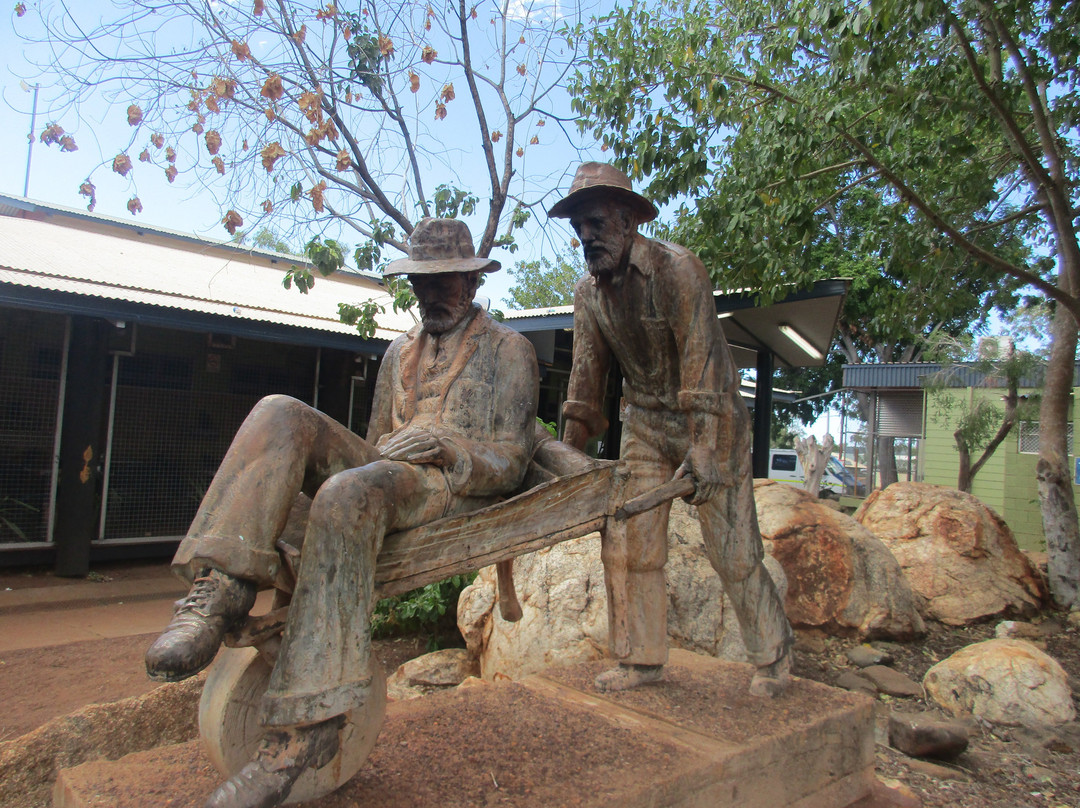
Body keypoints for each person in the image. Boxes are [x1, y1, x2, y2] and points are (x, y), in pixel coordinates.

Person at [145, 218, 539, 808]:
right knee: (280, 411)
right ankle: (220, 586)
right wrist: (384, 455)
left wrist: (449, 448)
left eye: (443, 282)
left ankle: (304, 734)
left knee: (345, 496)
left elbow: (512, 459)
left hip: (448, 487)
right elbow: (376, 440)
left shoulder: (512, 350)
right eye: (419, 283)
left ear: (471, 281)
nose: (429, 294)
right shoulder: (395, 353)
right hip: (388, 471)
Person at [549, 163, 793, 697]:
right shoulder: (588, 293)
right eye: (578, 227)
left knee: (731, 548)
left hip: (711, 419)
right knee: (631, 542)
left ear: (629, 218)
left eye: (594, 222)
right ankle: (641, 661)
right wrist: (567, 459)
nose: (585, 236)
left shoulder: (678, 271)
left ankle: (772, 656)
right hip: (645, 424)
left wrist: (705, 446)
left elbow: (702, 364)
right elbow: (586, 382)